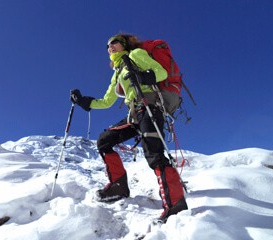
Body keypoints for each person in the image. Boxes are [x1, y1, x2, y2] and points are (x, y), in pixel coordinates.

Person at [70, 33, 188, 223]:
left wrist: (142, 75)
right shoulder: (117, 71)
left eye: (114, 42)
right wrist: (84, 101)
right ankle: (118, 187)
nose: (110, 47)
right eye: (107, 45)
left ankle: (175, 204)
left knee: (154, 154)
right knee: (104, 140)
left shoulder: (136, 54)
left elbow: (161, 73)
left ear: (124, 44)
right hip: (134, 114)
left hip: (150, 107)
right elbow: (107, 101)